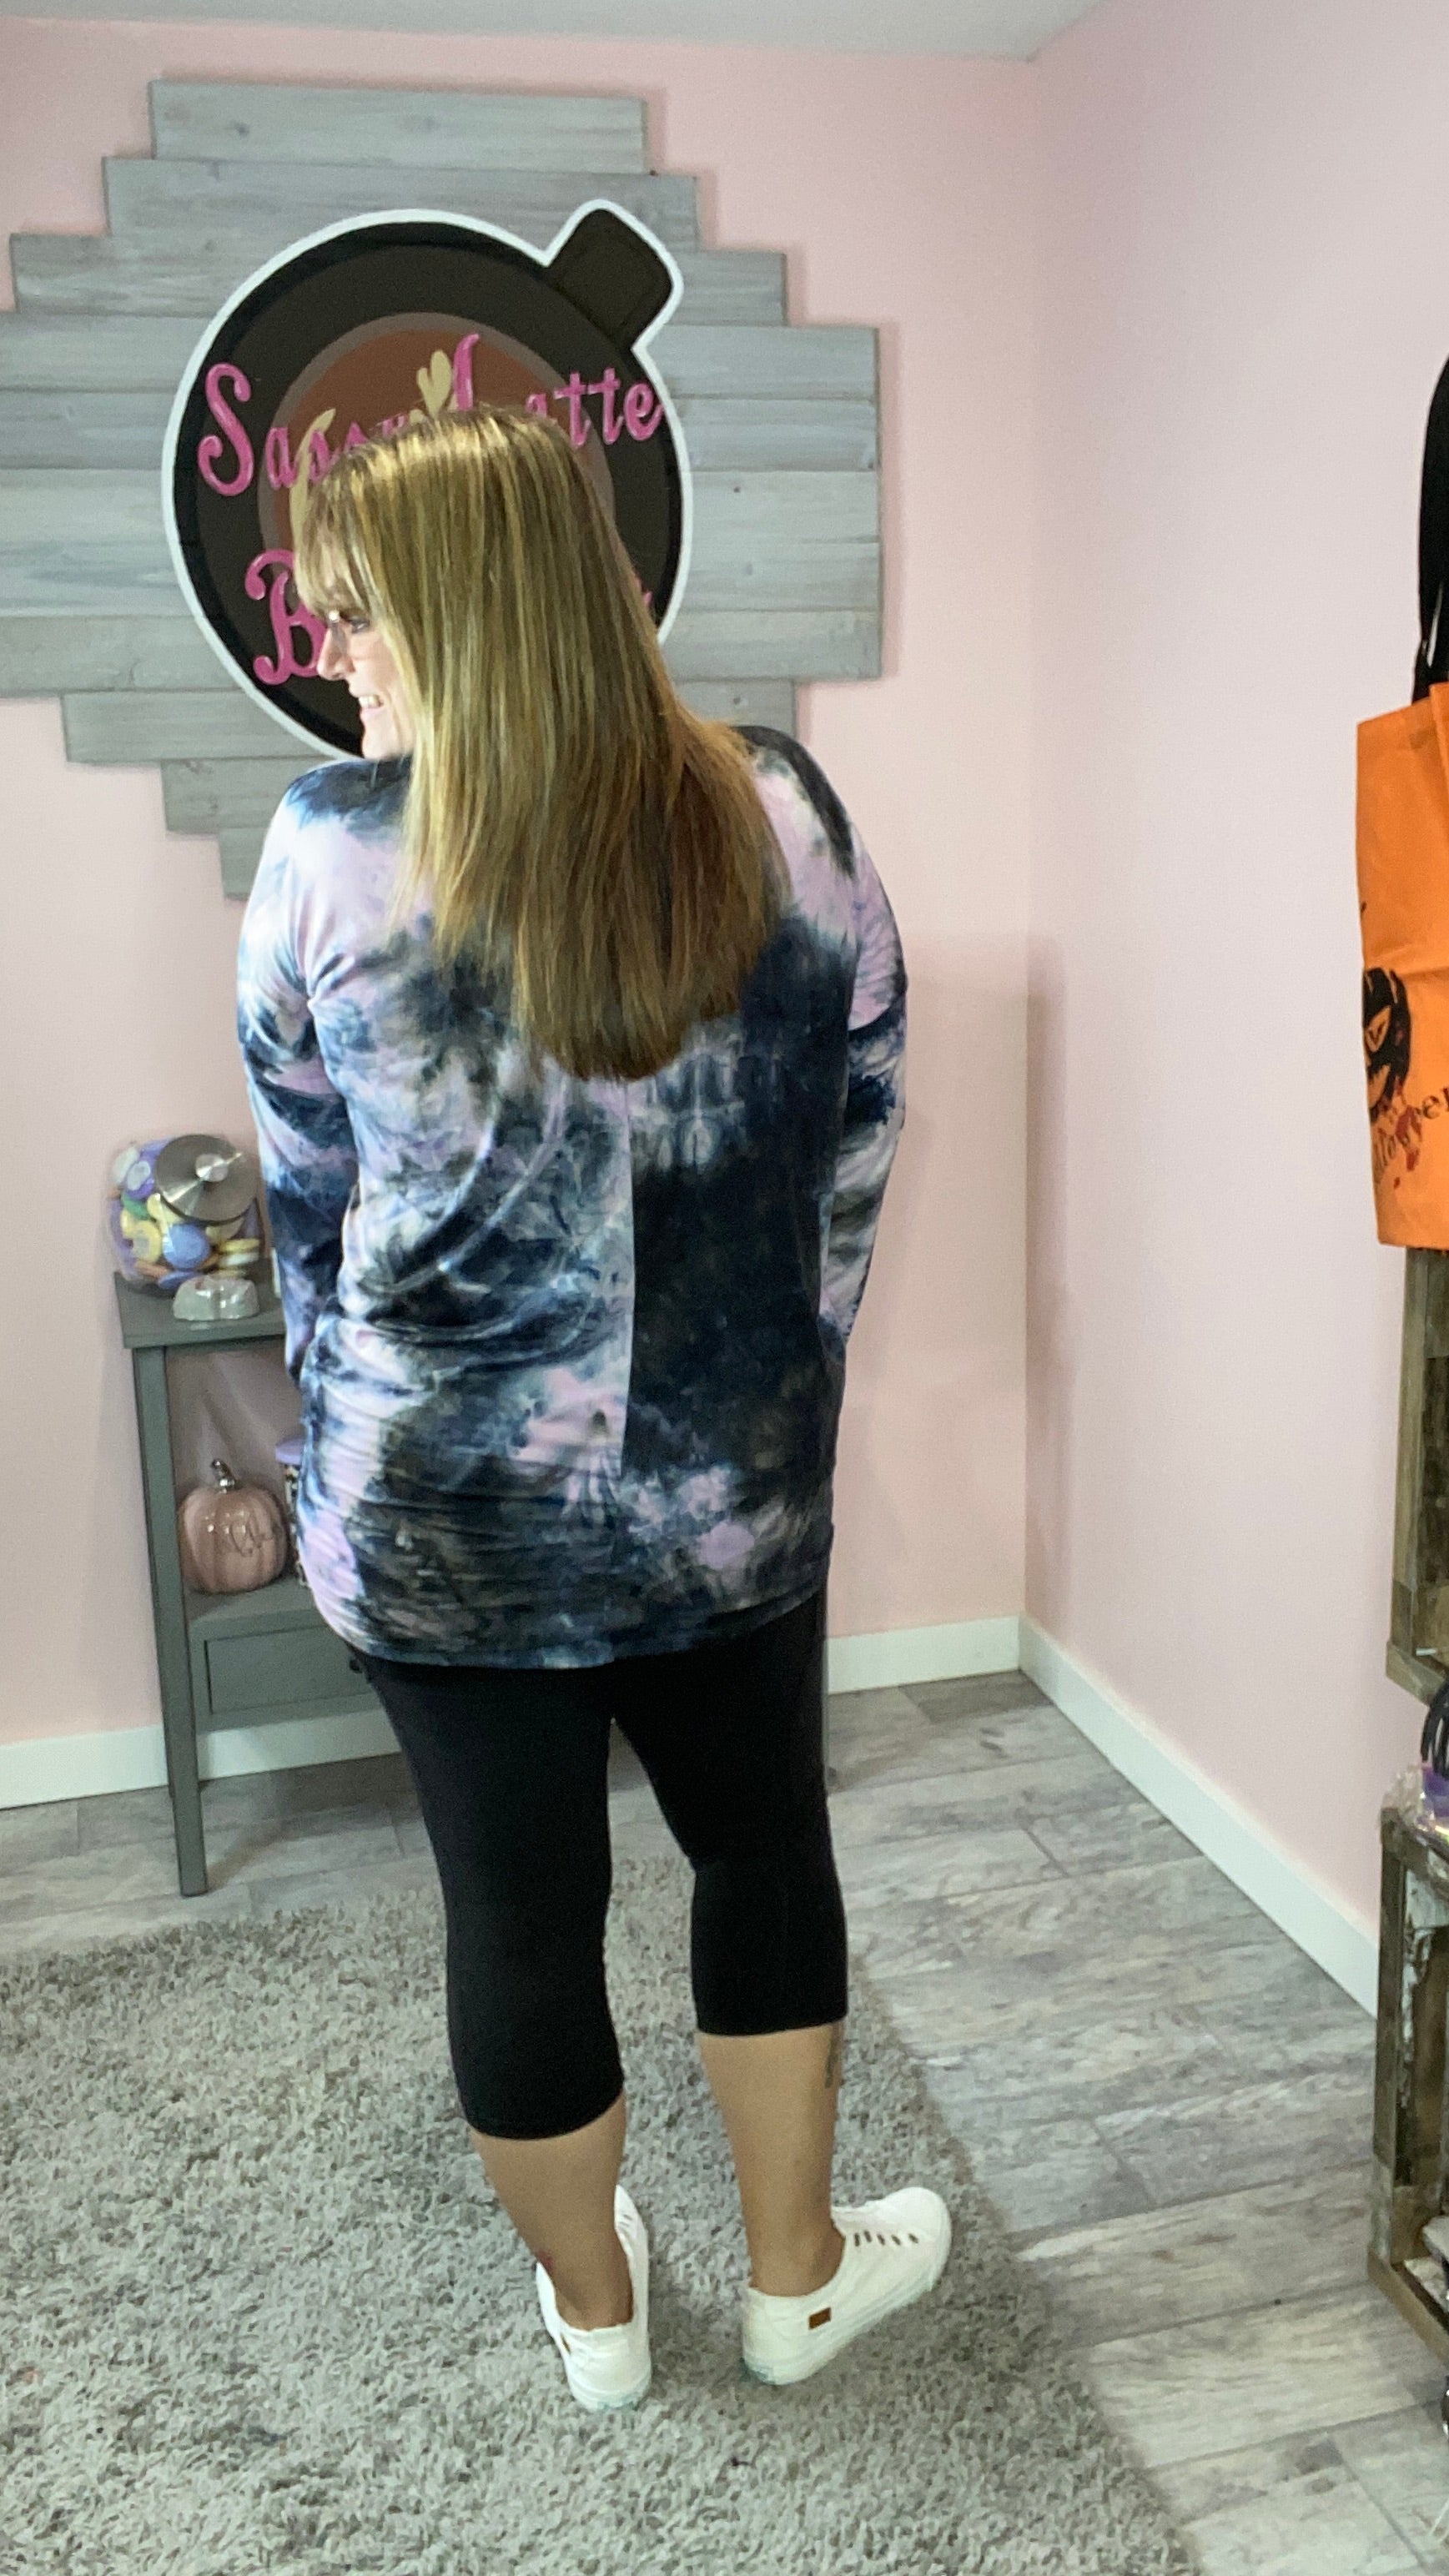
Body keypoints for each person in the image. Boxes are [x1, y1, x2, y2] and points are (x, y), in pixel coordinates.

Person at [235, 405, 949, 2413]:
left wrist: (346, 1423)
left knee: (520, 1916)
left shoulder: (329, 850)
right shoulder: (782, 809)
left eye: (356, 611)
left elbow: (305, 1195)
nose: (331, 653)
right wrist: (781, 1373)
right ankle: (795, 2281)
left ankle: (601, 2322)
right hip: (728, 1498)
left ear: (470, 612)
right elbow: (862, 1120)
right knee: (762, 1852)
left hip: (442, 1515)